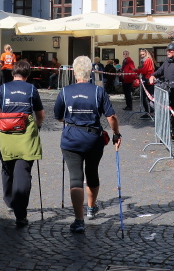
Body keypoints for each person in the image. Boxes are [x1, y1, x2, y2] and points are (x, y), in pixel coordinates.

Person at [54, 56, 121, 234]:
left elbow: (58, 116)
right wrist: (116, 134)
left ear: (74, 72)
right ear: (90, 71)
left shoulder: (65, 91)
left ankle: (79, 220)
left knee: (76, 178)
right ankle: (91, 208)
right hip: (93, 139)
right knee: (92, 172)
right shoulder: (98, 91)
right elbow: (111, 117)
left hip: (71, 139)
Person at [0, 60, 45, 227]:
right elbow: (40, 114)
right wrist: (37, 127)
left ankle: (10, 201)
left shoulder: (3, 89)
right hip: (26, 138)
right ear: (27, 75)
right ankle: (20, 214)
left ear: (13, 73)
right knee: (23, 173)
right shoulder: (31, 89)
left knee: (7, 169)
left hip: (6, 138)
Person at [135, 48, 156, 118]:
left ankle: (150, 112)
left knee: (148, 97)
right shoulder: (146, 60)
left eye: (143, 54)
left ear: (146, 54)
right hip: (147, 80)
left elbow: (144, 70)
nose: (142, 56)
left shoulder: (147, 60)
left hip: (148, 80)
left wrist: (137, 70)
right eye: (141, 55)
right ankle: (149, 112)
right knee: (147, 97)